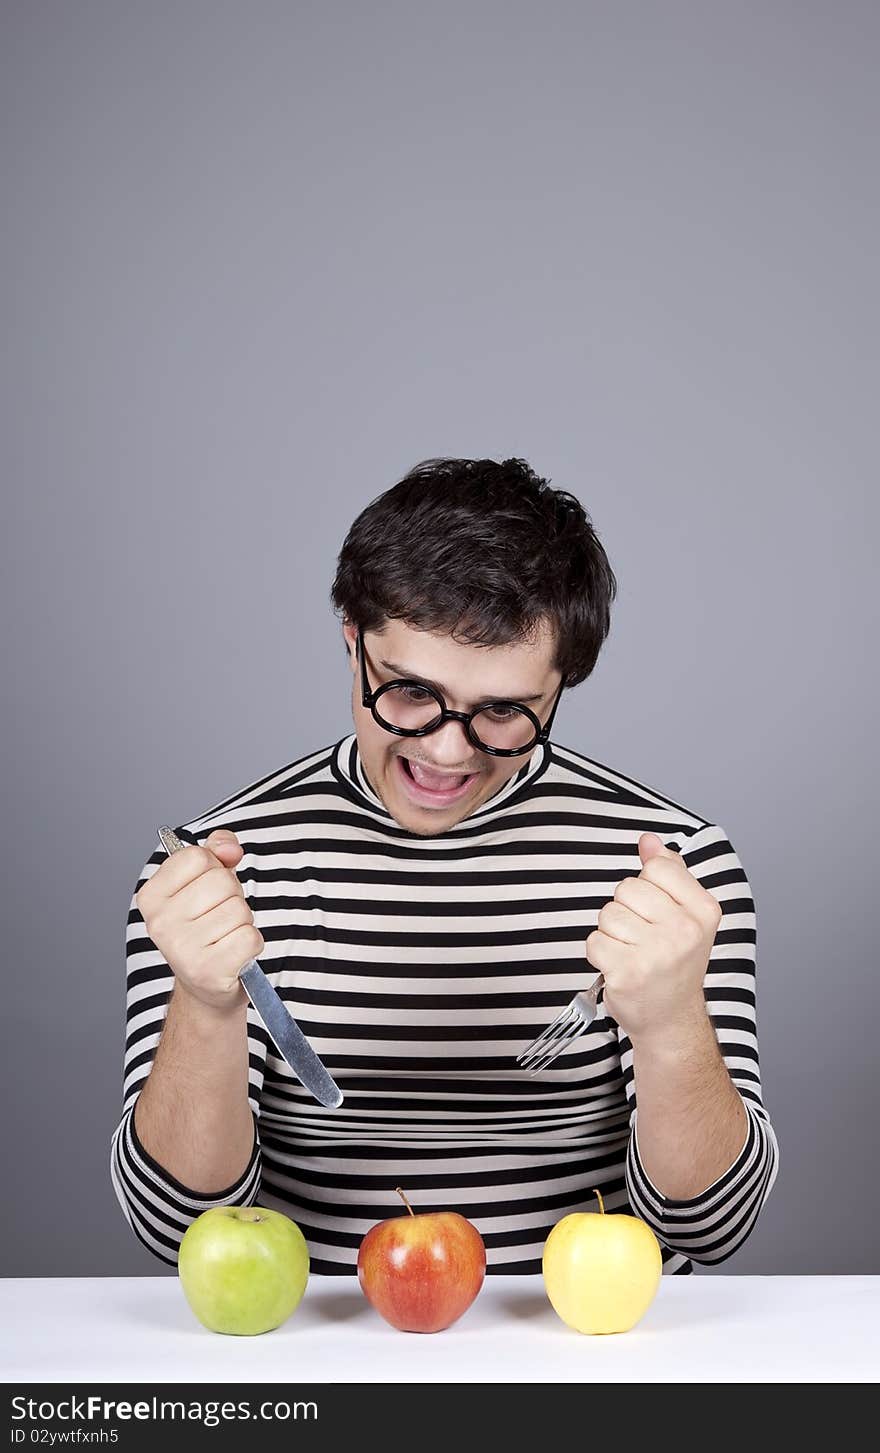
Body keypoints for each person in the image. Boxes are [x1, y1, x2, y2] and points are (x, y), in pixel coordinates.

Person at [110, 456, 779, 1275]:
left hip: (586, 1358)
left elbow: (713, 1228)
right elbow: (173, 1226)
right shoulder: (211, 873)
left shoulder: (675, 875)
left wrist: (673, 1024)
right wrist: (207, 1006)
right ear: (352, 640)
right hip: (311, 1351)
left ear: (560, 685)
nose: (445, 749)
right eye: (410, 692)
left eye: (504, 710)